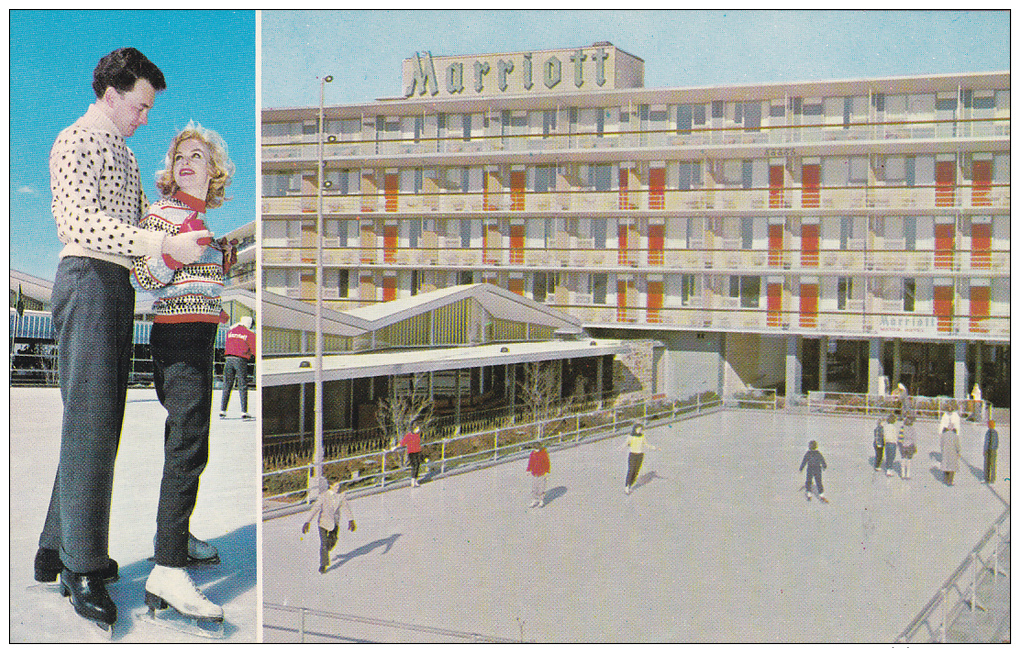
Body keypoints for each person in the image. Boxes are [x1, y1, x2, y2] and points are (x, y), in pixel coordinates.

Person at [36, 48, 208, 630]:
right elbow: (78, 222)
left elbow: (141, 232)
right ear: (112, 93)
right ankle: (80, 566)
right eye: (139, 105)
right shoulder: (76, 139)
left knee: (97, 420)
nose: (144, 117)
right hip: (86, 275)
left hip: (115, 284)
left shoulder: (129, 158)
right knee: (91, 421)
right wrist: (159, 246)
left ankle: (53, 545)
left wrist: (181, 236)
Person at [130, 122, 236, 623]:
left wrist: (218, 261)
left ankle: (176, 535)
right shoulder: (165, 214)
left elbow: (199, 285)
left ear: (214, 171)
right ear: (172, 172)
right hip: (175, 341)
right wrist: (175, 251)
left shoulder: (202, 219)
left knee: (193, 442)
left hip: (198, 340)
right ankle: (168, 566)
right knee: (188, 446)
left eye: (197, 156)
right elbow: (144, 274)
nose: (186, 162)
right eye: (179, 157)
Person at [301, 479, 355, 573]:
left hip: (335, 522)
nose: (338, 488)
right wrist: (307, 522)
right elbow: (315, 509)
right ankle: (323, 564)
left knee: (332, 541)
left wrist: (351, 520)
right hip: (323, 522)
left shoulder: (341, 495)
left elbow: (346, 507)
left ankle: (326, 550)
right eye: (336, 486)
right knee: (324, 544)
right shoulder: (323, 496)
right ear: (330, 485)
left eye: (339, 486)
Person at [219, 316, 256, 420]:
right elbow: (254, 349)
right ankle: (244, 412)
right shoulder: (249, 334)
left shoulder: (230, 332)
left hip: (228, 360)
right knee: (242, 385)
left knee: (227, 385)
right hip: (240, 360)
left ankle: (223, 410)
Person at [619, 423, 656, 494]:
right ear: (635, 429)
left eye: (640, 429)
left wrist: (653, 447)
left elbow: (646, 444)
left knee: (636, 471)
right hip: (633, 454)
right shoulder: (631, 437)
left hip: (640, 455)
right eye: (638, 429)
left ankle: (630, 484)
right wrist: (621, 448)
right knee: (631, 470)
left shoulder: (642, 437)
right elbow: (626, 443)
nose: (639, 430)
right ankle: (626, 486)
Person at [940, 417, 962, 486]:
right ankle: (950, 481)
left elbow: (941, 444)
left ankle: (946, 479)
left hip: (946, 452)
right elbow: (957, 445)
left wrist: (943, 451)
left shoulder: (944, 435)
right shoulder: (955, 436)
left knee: (946, 466)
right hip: (953, 453)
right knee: (952, 467)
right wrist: (958, 452)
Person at [898, 415, 917, 480]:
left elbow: (900, 437)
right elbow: (914, 439)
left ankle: (902, 474)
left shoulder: (902, 428)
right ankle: (908, 474)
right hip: (910, 445)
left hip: (903, 445)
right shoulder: (913, 429)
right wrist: (915, 446)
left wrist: (900, 445)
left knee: (903, 459)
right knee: (909, 460)